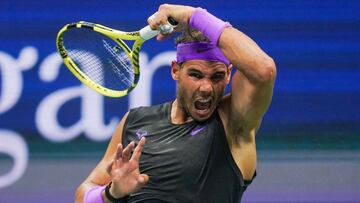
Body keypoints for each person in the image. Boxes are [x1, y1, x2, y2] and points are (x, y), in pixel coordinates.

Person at [76, 4, 276, 203]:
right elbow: (84, 194)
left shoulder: (233, 124)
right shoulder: (136, 120)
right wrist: (111, 193)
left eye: (216, 76)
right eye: (196, 75)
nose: (206, 87)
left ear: (228, 75)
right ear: (175, 70)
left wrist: (193, 15)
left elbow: (263, 70)